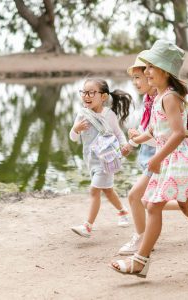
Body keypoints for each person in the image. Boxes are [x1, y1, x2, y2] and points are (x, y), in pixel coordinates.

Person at [111, 40, 188, 277]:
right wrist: (134, 142)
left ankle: (140, 261)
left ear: (164, 70)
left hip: (178, 159)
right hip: (173, 159)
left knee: (154, 206)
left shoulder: (170, 98)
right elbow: (156, 131)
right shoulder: (161, 97)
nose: (146, 72)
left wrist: (156, 159)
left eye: (150, 67)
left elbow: (178, 133)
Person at [118, 52, 188, 255]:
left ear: (159, 74)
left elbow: (170, 134)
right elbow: (152, 131)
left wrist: (149, 151)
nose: (139, 81)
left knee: (137, 198)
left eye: (141, 76)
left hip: (164, 158)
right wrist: (133, 141)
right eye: (136, 78)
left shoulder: (165, 98)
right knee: (152, 202)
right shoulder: (152, 101)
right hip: (156, 158)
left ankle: (141, 243)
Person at [69, 78, 132, 238]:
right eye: (84, 92)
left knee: (94, 190)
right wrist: (75, 129)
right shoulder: (82, 114)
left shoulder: (109, 115)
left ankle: (87, 226)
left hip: (107, 159)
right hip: (91, 160)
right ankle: (122, 211)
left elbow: (118, 134)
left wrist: (124, 146)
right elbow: (73, 138)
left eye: (91, 92)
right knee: (108, 190)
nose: (86, 96)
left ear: (103, 97)